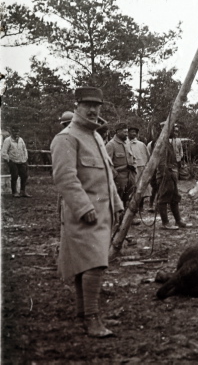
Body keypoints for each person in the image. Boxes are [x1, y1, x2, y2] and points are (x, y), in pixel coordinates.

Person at [50, 86, 123, 338]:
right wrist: (83, 208)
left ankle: (83, 313)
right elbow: (65, 179)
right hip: (83, 215)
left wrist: (117, 203)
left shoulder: (96, 137)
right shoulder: (66, 138)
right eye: (87, 105)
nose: (93, 110)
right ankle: (92, 318)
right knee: (95, 265)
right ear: (77, 105)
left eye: (97, 105)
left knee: (88, 264)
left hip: (103, 213)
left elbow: (107, 176)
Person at [155, 126, 190, 230]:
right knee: (164, 198)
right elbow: (161, 163)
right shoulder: (161, 143)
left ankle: (178, 220)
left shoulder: (168, 143)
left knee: (175, 197)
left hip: (171, 174)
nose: (175, 132)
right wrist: (166, 175)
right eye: (173, 131)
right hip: (165, 175)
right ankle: (165, 223)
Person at [105, 123, 137, 208]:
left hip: (130, 177)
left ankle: (127, 219)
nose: (127, 134)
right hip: (119, 179)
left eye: (127, 132)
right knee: (118, 201)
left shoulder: (127, 144)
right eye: (124, 132)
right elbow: (107, 164)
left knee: (129, 199)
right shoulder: (111, 145)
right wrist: (115, 175)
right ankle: (119, 220)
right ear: (118, 132)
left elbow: (133, 158)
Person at [2, 125, 31, 198]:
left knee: (24, 176)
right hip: (13, 161)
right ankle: (14, 192)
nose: (16, 133)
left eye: (17, 131)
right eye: (14, 131)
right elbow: (3, 152)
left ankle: (22, 191)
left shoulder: (21, 140)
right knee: (14, 176)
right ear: (11, 132)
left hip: (22, 161)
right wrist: (9, 160)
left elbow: (25, 149)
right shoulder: (8, 140)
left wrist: (25, 158)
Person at [128, 126, 151, 212]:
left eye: (135, 132)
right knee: (132, 189)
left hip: (142, 169)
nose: (133, 133)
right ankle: (133, 207)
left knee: (142, 189)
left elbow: (148, 157)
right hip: (132, 170)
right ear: (128, 133)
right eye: (131, 132)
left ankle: (141, 206)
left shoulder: (141, 144)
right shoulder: (126, 144)